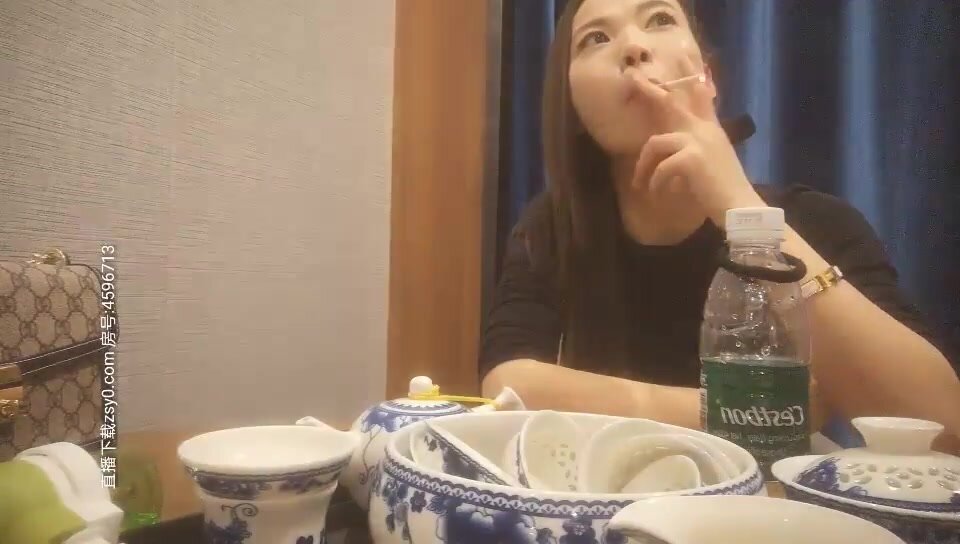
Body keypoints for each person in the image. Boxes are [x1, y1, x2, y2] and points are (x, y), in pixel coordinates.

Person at [479, 0, 960, 447]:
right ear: (576, 107)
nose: (633, 47)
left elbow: (942, 426)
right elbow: (508, 385)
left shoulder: (818, 222)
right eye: (596, 39)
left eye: (659, 19)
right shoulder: (552, 228)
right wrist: (743, 411)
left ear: (706, 78)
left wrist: (739, 205)